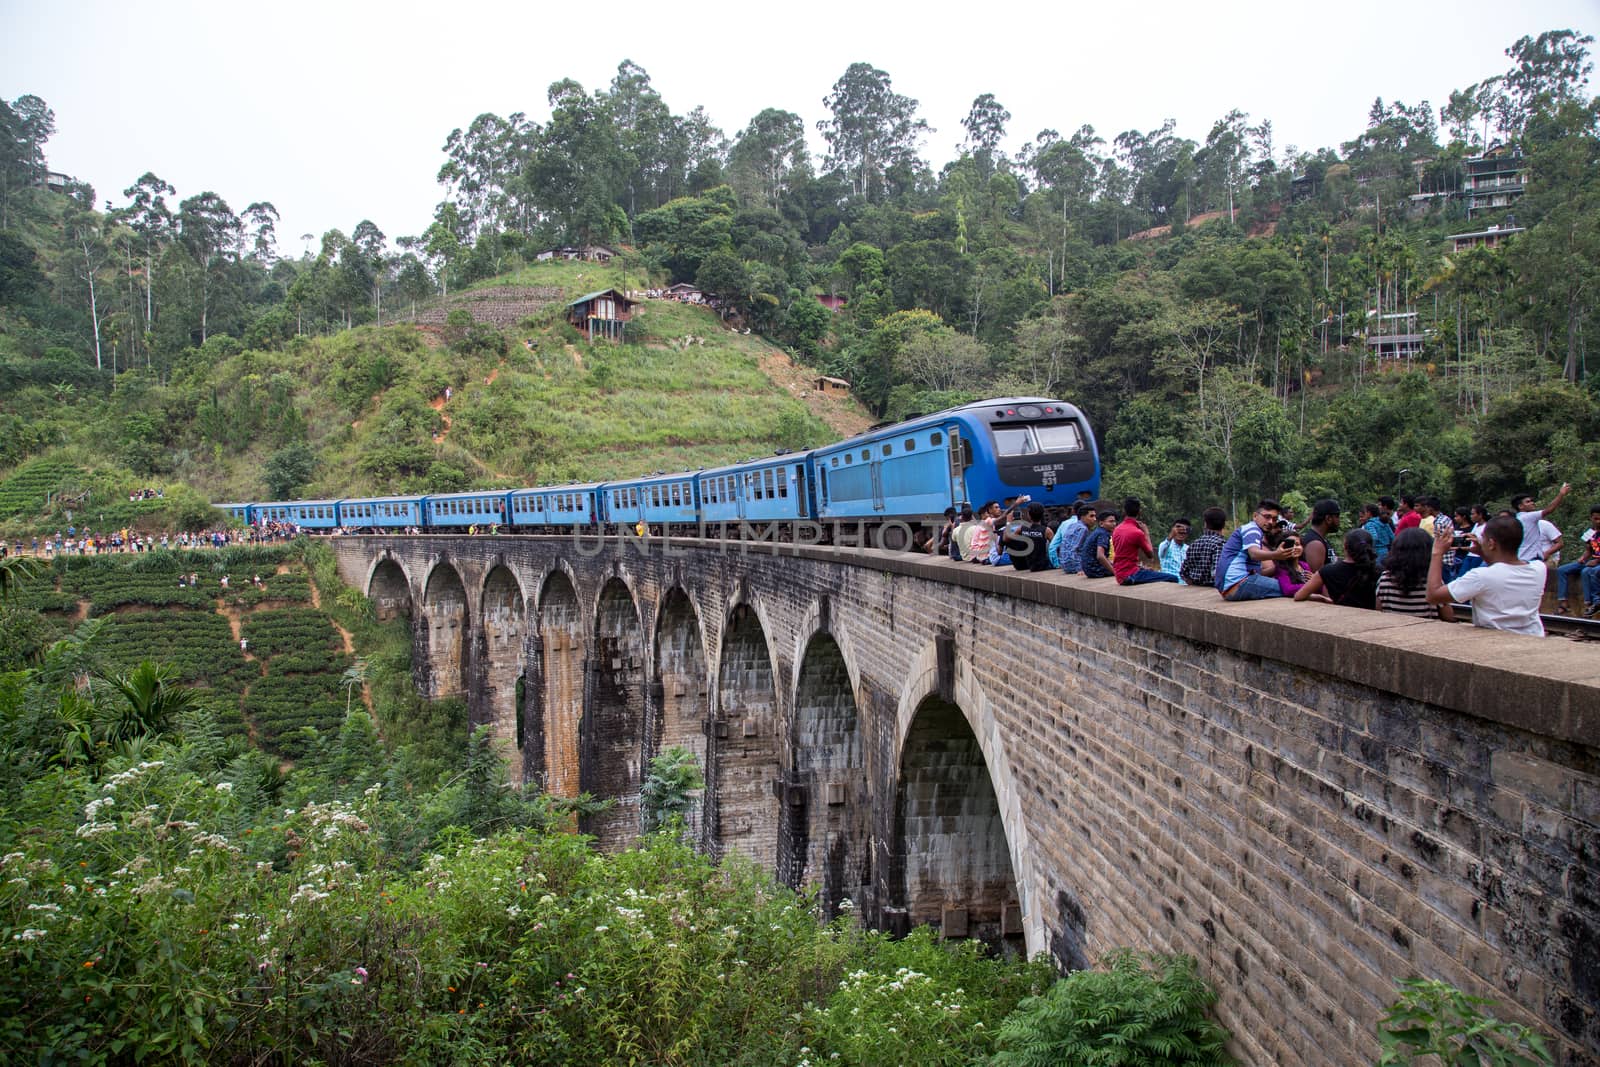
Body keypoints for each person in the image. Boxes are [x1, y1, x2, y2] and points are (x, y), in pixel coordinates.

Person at [1428, 515, 1546, 636]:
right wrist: (1483, 553)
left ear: (1491, 543)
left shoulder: (1480, 576)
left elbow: (1433, 596)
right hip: (1533, 636)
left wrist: (1437, 553)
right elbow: (1504, 571)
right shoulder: (1539, 568)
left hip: (1496, 641)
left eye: (1482, 538)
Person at [1215, 499, 1298, 601]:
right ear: (1255, 516)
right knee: (1289, 587)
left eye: (1274, 519)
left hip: (1230, 586)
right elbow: (1254, 553)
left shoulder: (1253, 530)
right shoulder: (1252, 529)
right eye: (1267, 517)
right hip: (1238, 584)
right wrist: (1276, 554)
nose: (1271, 522)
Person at [1295, 527, 1380, 609]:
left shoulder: (1327, 571)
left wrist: (1321, 597)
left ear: (1345, 546)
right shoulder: (1379, 571)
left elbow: (1299, 596)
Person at [1377, 528, 1451, 620]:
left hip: (1393, 629)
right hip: (1426, 631)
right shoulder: (1432, 582)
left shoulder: (1385, 578)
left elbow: (1378, 609)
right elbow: (1448, 616)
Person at [1110, 498, 1179, 585]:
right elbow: (1150, 555)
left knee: (1149, 571)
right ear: (1139, 512)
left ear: (1124, 511)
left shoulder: (1117, 529)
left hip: (1119, 574)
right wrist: (1146, 533)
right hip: (1131, 575)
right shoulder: (1137, 532)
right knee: (1173, 578)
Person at [1555, 505, 1600, 616]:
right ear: (1591, 518)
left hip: (1596, 563)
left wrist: (1597, 561)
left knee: (1588, 572)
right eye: (1596, 519)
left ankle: (1592, 602)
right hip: (1592, 561)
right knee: (1562, 570)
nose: (1599, 521)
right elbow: (1589, 550)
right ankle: (1563, 602)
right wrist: (1583, 558)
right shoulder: (1590, 533)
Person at [1514, 483, 1570, 564]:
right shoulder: (1528, 517)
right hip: (1531, 559)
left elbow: (1559, 543)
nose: (1532, 503)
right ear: (1520, 506)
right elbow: (1549, 509)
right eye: (1528, 502)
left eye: (1532, 501)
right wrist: (1561, 494)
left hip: (1520, 559)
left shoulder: (1515, 520)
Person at [1180, 507, 1228, 587]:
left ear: (1205, 524)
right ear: (1224, 524)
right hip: (1212, 591)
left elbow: (1183, 572)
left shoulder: (1194, 544)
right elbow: (1217, 573)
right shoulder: (1221, 544)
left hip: (1193, 590)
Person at [1007, 502, 1053, 571]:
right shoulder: (1047, 530)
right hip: (1044, 565)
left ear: (1029, 515)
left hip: (1030, 565)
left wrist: (1009, 523)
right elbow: (1055, 547)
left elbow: (1009, 538)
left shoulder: (1021, 529)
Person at [1264, 528, 1310, 596]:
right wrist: (1311, 585)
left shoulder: (1304, 565)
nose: (1294, 547)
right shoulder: (1281, 568)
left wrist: (1314, 580)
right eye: (1290, 545)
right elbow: (1288, 589)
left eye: (1297, 544)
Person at [1300, 500, 1341, 574]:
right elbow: (1317, 580)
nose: (1339, 520)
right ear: (1328, 518)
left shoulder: (1321, 540)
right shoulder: (1315, 544)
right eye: (1337, 516)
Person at [1056, 502, 1095, 575]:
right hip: (1074, 566)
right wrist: (1079, 569)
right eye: (1091, 516)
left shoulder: (1072, 526)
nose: (1094, 519)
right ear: (1082, 517)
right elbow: (1074, 549)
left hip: (1065, 565)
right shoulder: (1083, 529)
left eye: (1095, 516)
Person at [1080, 510, 1118, 579]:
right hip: (1095, 570)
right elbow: (1100, 556)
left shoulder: (1098, 531)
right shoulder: (1103, 534)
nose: (1114, 524)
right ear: (1101, 524)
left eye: (1114, 521)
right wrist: (1114, 572)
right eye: (1111, 521)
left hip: (1088, 570)